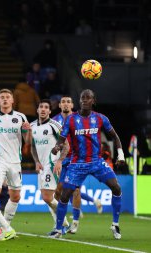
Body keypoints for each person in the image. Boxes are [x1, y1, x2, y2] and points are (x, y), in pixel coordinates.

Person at [49, 89, 124, 240]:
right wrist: (57, 147)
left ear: (93, 101)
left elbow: (115, 136)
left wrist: (120, 154)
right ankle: (58, 229)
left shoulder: (101, 118)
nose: (84, 100)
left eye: (88, 98)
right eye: (82, 97)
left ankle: (115, 224)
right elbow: (62, 139)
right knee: (64, 196)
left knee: (116, 187)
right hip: (77, 163)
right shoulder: (70, 119)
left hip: (96, 161)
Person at [53, 95, 102, 234]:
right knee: (58, 191)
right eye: (63, 102)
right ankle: (60, 221)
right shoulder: (54, 120)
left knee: (76, 190)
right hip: (60, 160)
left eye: (68, 102)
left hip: (76, 159)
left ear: (72, 105)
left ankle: (75, 222)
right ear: (60, 105)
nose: (66, 104)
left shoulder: (78, 118)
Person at [0, 89, 30, 237]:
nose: (4, 99)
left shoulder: (20, 117)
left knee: (15, 196)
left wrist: (27, 132)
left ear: (12, 101)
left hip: (15, 162)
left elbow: (28, 142)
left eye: (7, 97)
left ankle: (5, 227)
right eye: (2, 97)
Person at [30, 99, 70, 233]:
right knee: (48, 199)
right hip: (42, 166)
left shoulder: (55, 125)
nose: (43, 109)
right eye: (41, 107)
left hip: (52, 164)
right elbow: (33, 146)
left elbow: (66, 146)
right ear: (37, 110)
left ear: (49, 111)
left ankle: (62, 222)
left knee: (47, 197)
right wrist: (36, 161)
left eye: (46, 107)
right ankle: (60, 225)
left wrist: (59, 162)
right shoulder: (32, 126)